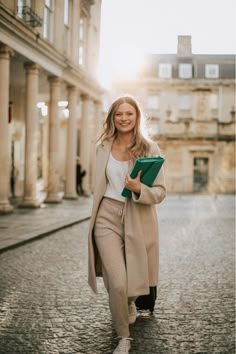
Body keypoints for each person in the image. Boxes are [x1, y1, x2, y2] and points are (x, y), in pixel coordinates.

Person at [87, 96, 166, 353]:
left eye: (128, 114)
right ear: (112, 117)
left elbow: (161, 192)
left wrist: (138, 188)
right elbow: (98, 183)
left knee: (134, 280)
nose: (123, 118)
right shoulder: (102, 147)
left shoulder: (149, 148)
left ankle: (130, 303)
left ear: (136, 117)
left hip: (136, 217)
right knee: (117, 282)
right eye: (118, 114)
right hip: (106, 217)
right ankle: (124, 338)